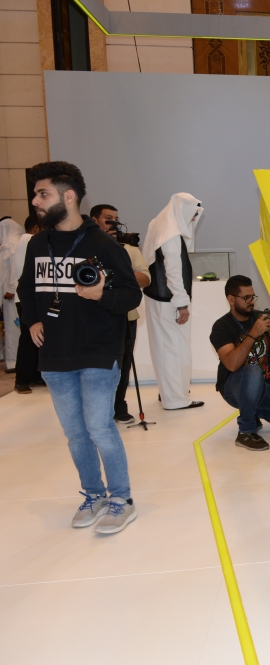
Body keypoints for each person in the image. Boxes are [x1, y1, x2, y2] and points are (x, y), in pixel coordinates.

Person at [18, 161, 142, 533]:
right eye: (36, 194)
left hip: (98, 351)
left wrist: (102, 293)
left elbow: (130, 295)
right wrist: (33, 320)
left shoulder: (103, 245)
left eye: (44, 194)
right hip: (55, 355)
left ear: (68, 196)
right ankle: (94, 494)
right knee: (75, 434)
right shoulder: (37, 243)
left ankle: (122, 498)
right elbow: (26, 289)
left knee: (100, 428)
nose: (36, 201)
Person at [210, 275, 270, 451]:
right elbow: (231, 364)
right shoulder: (222, 327)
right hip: (235, 387)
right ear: (231, 299)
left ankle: (253, 409)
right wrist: (253, 334)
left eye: (252, 297)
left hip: (268, 384)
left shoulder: (260, 318)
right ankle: (246, 432)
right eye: (246, 297)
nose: (251, 302)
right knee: (253, 371)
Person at [142, 193, 204, 410]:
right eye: (193, 214)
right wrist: (181, 303)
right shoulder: (171, 233)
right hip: (169, 302)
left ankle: (169, 393)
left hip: (157, 298)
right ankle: (176, 399)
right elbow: (174, 272)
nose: (194, 219)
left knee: (163, 348)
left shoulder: (159, 225)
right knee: (174, 349)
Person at [92, 204, 151, 423]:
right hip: (94, 315)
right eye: (108, 219)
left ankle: (119, 405)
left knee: (124, 362)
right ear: (94, 219)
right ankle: (99, 409)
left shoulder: (129, 250)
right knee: (97, 363)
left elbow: (146, 278)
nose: (114, 223)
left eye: (117, 219)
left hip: (126, 316)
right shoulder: (87, 248)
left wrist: (117, 275)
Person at [11, 217, 45, 393]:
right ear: (37, 228)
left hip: (29, 297)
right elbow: (25, 273)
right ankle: (21, 379)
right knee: (27, 339)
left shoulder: (26, 241)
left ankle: (34, 375)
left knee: (35, 339)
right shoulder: (28, 239)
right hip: (27, 298)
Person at [1, 216, 25, 372]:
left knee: (12, 329)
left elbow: (11, 271)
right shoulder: (20, 241)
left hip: (11, 295)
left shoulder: (9, 245)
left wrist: (10, 289)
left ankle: (13, 362)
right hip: (17, 293)